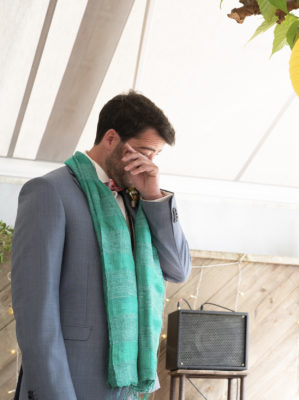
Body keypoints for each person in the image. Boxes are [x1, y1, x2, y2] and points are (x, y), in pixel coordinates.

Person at [11, 91, 191, 399]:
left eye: (154, 156)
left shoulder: (141, 200)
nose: (149, 163)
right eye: (145, 152)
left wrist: (153, 196)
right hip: (72, 386)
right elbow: (36, 312)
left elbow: (178, 270)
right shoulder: (49, 192)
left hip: (129, 389)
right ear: (111, 138)